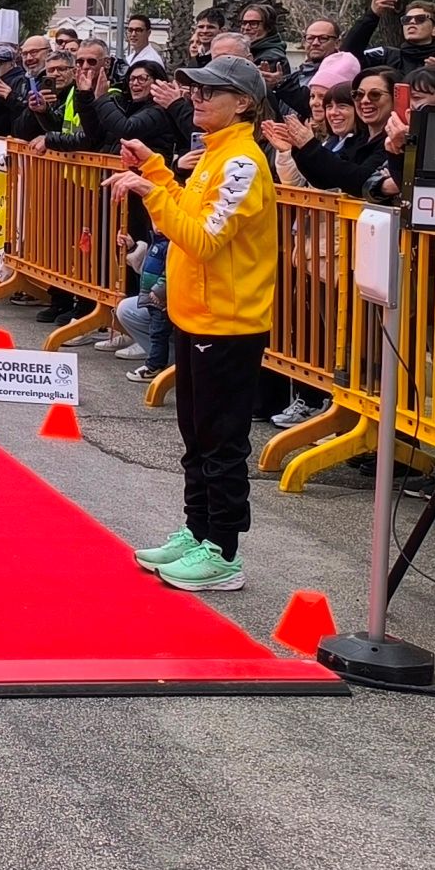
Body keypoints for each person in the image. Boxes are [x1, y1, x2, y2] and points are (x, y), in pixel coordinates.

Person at [105, 54, 277, 591]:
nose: (196, 98)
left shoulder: (242, 162)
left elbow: (202, 240)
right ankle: (198, 531)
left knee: (221, 443)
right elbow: (190, 215)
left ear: (242, 103)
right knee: (197, 438)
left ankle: (223, 552)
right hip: (199, 316)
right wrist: (156, 170)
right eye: (195, 90)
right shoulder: (216, 153)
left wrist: (150, 190)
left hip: (229, 323)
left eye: (209, 91)